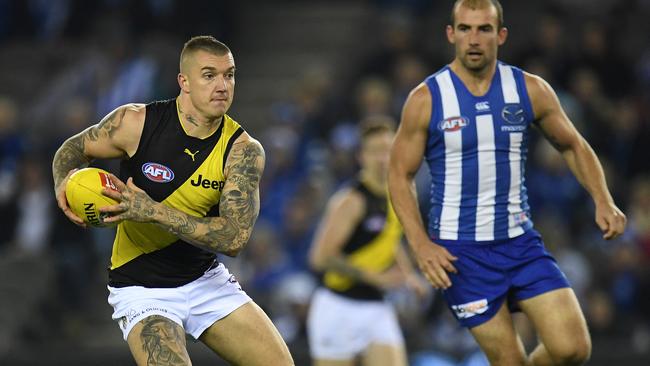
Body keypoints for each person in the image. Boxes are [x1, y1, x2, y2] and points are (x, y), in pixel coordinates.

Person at [387, 1, 627, 365]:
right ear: (451, 34)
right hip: (461, 255)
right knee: (509, 360)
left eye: (484, 29)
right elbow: (398, 174)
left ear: (501, 35)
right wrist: (420, 244)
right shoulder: (426, 99)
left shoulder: (530, 89)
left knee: (573, 348)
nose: (474, 39)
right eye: (465, 29)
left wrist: (603, 199)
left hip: (520, 243)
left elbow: (573, 145)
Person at [52, 36, 294, 366]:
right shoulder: (135, 123)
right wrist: (61, 185)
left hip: (206, 280)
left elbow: (234, 238)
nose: (223, 85)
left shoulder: (243, 151)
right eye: (209, 75)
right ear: (184, 82)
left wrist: (152, 211)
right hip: (142, 288)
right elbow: (72, 149)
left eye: (230, 75)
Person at [307, 117, 427, 366]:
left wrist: (409, 276)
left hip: (375, 307)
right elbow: (321, 257)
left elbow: (389, 238)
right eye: (375, 151)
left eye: (388, 150)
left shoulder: (401, 192)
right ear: (361, 156)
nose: (383, 158)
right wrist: (375, 277)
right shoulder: (351, 201)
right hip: (337, 306)